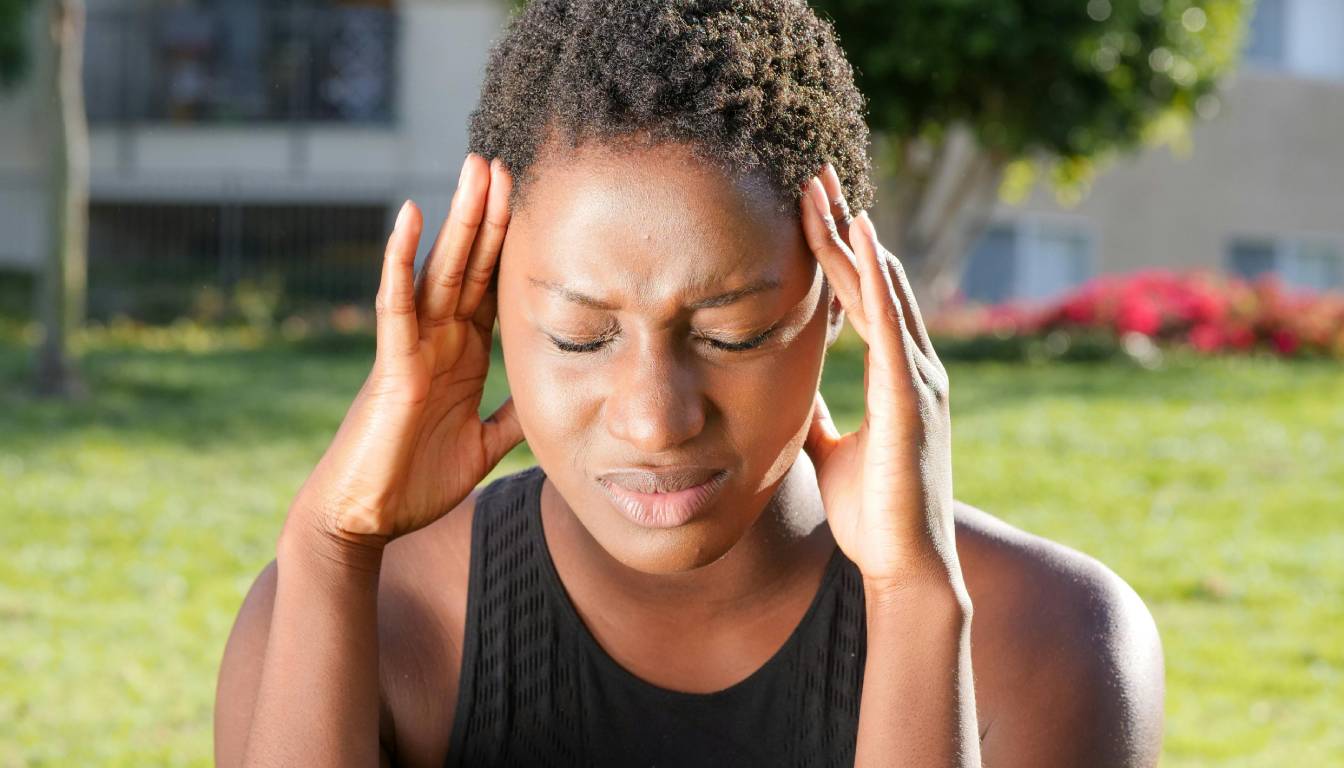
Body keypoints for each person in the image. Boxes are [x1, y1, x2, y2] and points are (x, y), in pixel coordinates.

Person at [214, 1, 1164, 766]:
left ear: (840, 304)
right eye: (581, 338)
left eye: (733, 334)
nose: (656, 419)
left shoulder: (1050, 639)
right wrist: (330, 545)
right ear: (489, 314)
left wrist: (915, 603)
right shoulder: (354, 614)